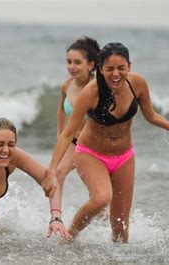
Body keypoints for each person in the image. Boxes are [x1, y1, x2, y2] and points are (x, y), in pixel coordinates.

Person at [44, 42, 169, 243]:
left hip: (124, 156)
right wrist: (52, 170)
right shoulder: (91, 93)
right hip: (90, 153)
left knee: (120, 226)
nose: (116, 74)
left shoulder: (138, 84)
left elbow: (151, 114)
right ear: (100, 69)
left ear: (130, 65)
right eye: (109, 69)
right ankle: (69, 237)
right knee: (102, 198)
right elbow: (67, 134)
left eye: (122, 68)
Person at [54, 36, 100, 214]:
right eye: (69, 62)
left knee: (95, 189)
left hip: (92, 143)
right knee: (58, 173)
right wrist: (59, 133)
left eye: (77, 62)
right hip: (73, 141)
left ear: (90, 64)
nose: (71, 66)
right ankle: (56, 216)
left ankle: (104, 218)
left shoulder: (96, 87)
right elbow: (60, 109)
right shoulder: (66, 85)